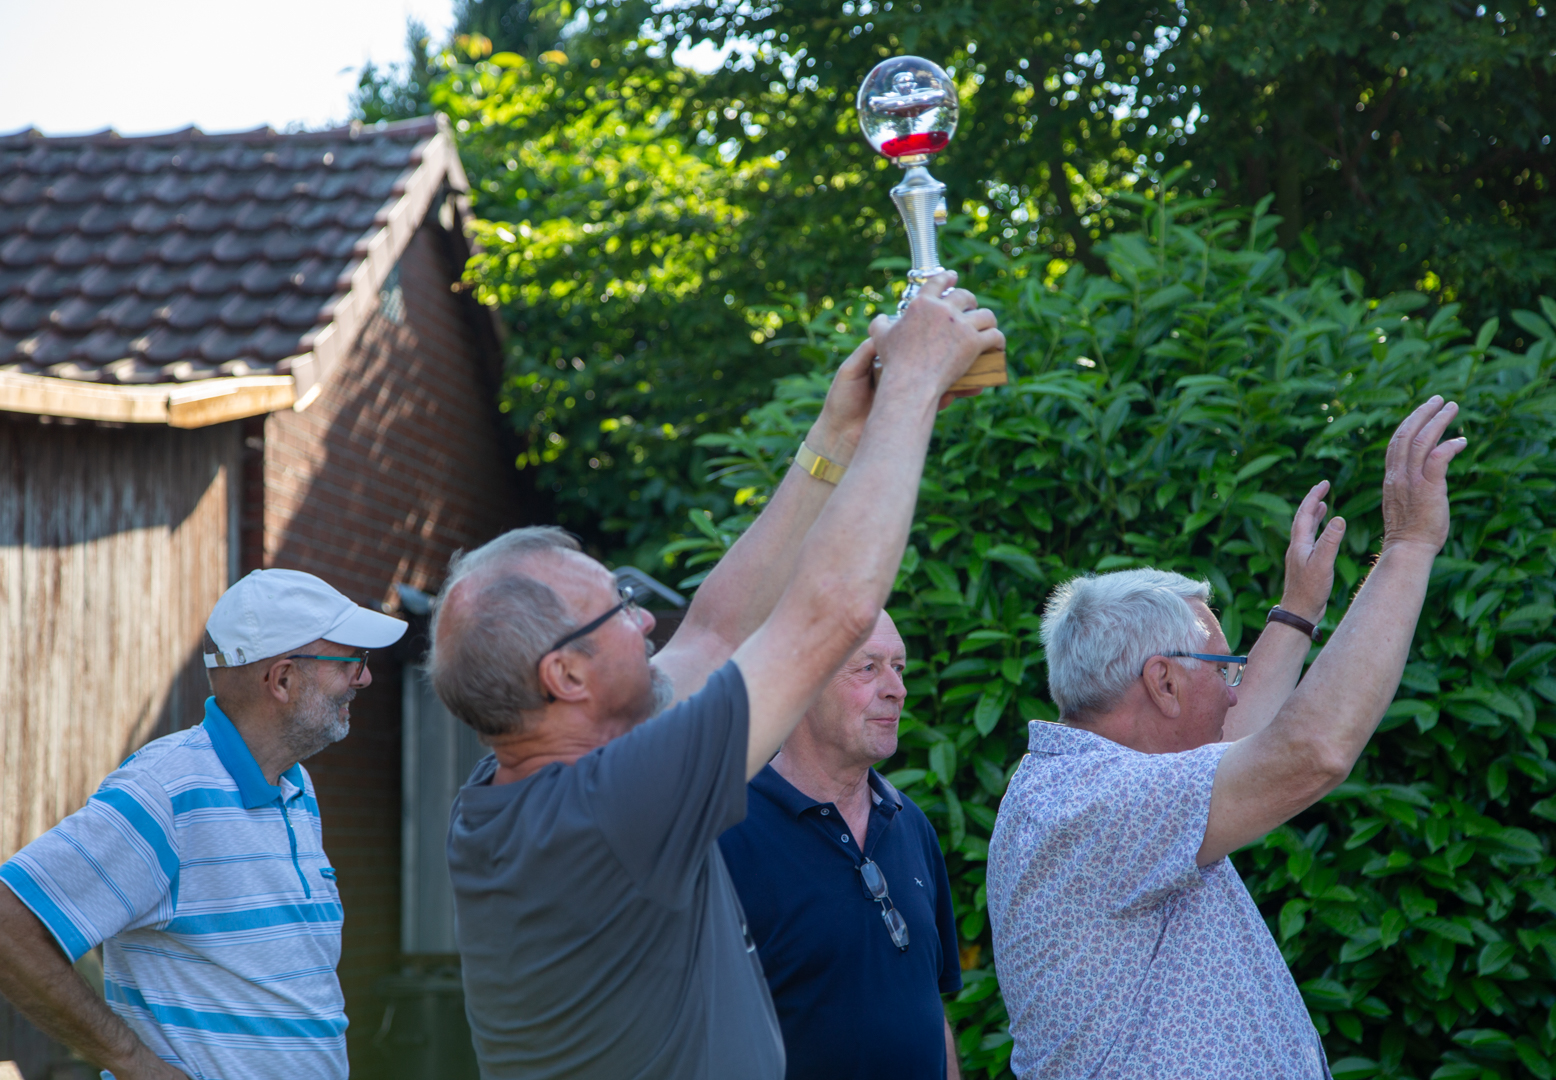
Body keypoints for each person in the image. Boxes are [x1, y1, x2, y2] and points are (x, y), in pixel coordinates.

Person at [428, 274, 1003, 1079]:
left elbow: (716, 631)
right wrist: (911, 386)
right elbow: (833, 613)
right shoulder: (608, 812)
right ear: (566, 677)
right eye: (618, 609)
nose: (644, 623)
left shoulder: (520, 792)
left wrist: (838, 434)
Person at [985, 398, 1467, 1079]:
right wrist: (1409, 548)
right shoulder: (1088, 803)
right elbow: (1307, 753)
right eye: (1222, 669)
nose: (1234, 690)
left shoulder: (1095, 785)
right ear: (1164, 683)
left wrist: (1298, 610)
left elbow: (1238, 741)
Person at [0, 569, 406, 1080]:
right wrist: (135, 1064)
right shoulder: (166, 792)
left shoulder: (294, 788)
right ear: (282, 680)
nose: (364, 678)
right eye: (350, 661)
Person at [719, 610, 963, 1080]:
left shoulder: (911, 823)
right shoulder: (728, 834)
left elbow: (927, 1002)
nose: (897, 689)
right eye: (868, 667)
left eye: (899, 667)